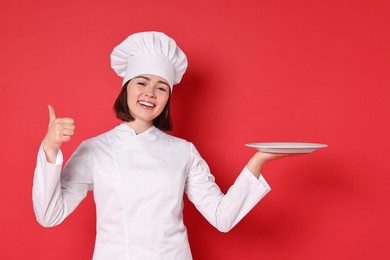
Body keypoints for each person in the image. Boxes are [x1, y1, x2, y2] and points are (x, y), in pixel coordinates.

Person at [33, 31, 300, 260]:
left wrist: (258, 161)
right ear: (125, 88)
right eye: (142, 83)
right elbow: (49, 215)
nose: (150, 92)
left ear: (167, 98)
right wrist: (49, 149)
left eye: (161, 87)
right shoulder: (95, 149)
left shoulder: (183, 151)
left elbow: (222, 217)